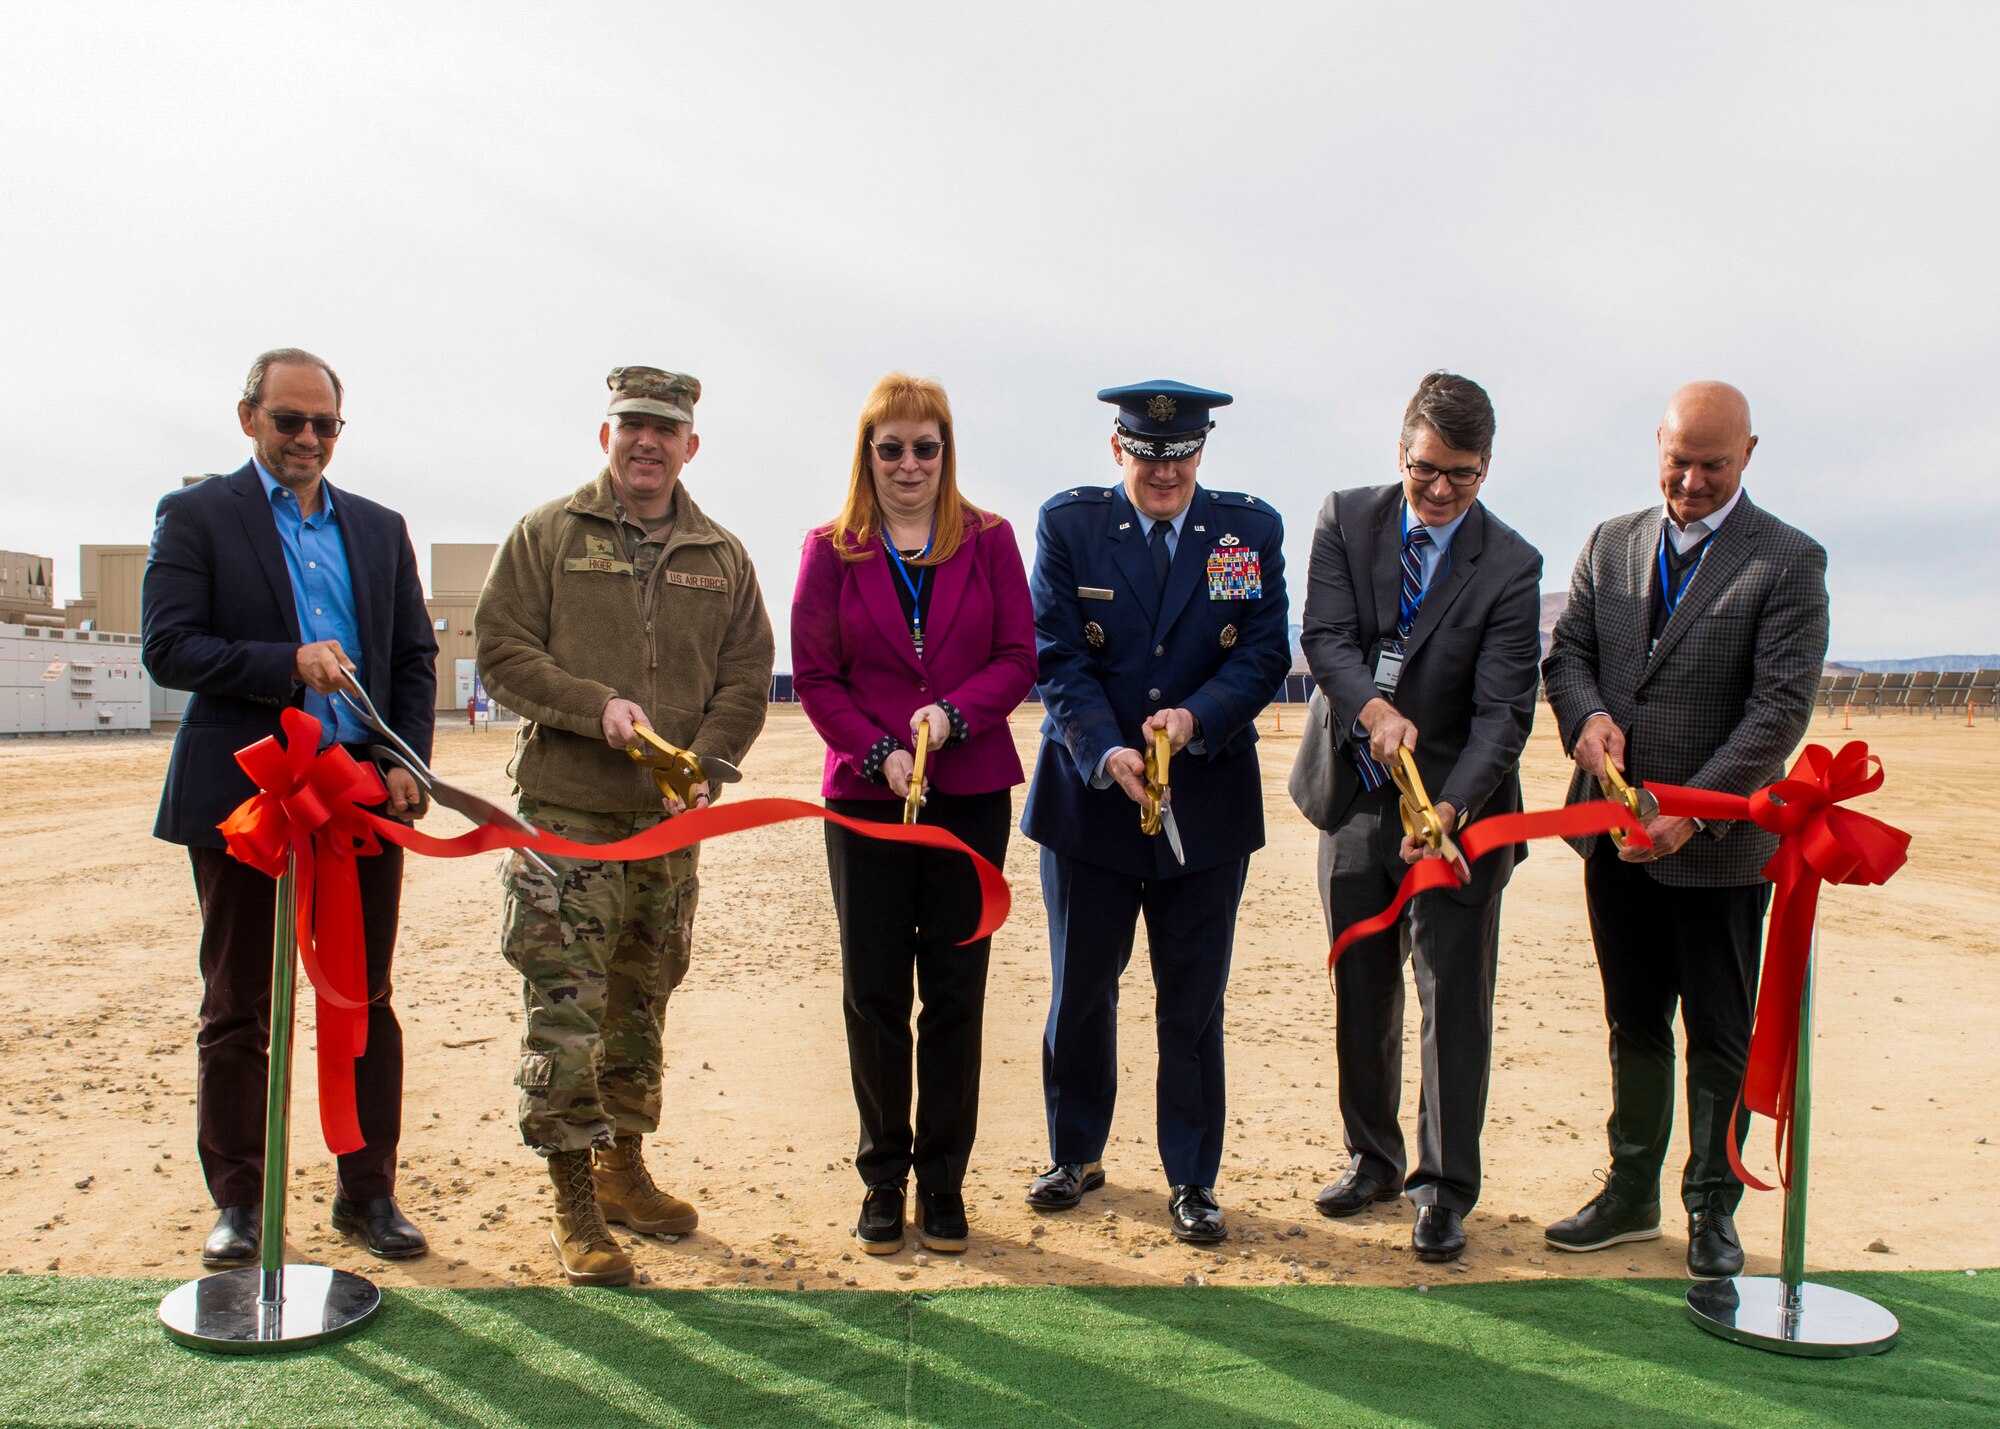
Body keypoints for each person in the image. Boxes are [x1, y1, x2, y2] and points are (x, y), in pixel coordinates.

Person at [476, 365, 774, 1286]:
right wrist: (595, 706)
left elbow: (745, 674)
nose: (648, 441)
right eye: (632, 424)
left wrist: (708, 765)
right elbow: (501, 652)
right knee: (565, 1008)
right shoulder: (546, 536)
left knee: (640, 1001)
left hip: (664, 827)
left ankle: (621, 1169)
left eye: (666, 428)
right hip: (565, 820)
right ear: (604, 435)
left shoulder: (720, 555)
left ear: (691, 444)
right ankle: (572, 1197)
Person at [142, 347, 437, 1267]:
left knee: (361, 996)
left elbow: (414, 658)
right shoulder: (195, 516)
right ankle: (241, 1203)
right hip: (246, 800)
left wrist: (406, 764)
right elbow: (170, 648)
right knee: (238, 1005)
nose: (307, 438)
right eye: (288, 421)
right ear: (249, 420)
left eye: (324, 425)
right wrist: (287, 661)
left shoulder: (383, 530)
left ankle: (368, 1192)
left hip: (356, 794)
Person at [1542, 380, 1829, 1280]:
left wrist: (1688, 814)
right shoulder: (1610, 542)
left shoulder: (1788, 561)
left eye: (1712, 464)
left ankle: (1712, 1205)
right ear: (1656, 446)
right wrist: (1586, 721)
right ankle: (1630, 1194)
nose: (1692, 481)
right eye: (1678, 461)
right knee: (1633, 1022)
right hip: (1613, 842)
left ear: (1749, 453)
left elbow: (1777, 712)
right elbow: (1570, 656)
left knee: (1719, 1033)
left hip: (1717, 850)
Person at [1020, 380, 1289, 1244]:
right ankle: (1075, 1152)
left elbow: (1262, 651)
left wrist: (1196, 717)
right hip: (1092, 799)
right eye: (1146, 453)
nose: (1163, 471)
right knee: (1082, 992)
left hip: (1202, 806)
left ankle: (1192, 1177)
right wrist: (1107, 747)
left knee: (1193, 1003)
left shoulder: (1247, 531)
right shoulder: (1070, 526)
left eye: (1179, 455)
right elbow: (1057, 655)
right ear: (1117, 449)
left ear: (1201, 453)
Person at [1290, 371, 1542, 1264]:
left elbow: (1505, 712)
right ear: (1401, 451)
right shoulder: (1344, 518)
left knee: (1452, 998)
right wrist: (1371, 709)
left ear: (1487, 468)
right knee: (1362, 983)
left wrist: (1448, 807)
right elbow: (1322, 637)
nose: (1439, 491)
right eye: (1426, 469)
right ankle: (1373, 1159)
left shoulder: (1512, 565)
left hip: (1455, 816)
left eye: (1462, 476)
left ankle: (1443, 1188)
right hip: (1355, 795)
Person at [790, 373, 1037, 1257]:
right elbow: (815, 677)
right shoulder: (832, 548)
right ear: (868, 453)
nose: (907, 464)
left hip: (969, 797)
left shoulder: (992, 539)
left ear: (946, 451)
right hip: (866, 801)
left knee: (957, 993)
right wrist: (877, 752)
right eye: (889, 447)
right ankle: (883, 1178)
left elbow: (1018, 654)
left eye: (923, 446)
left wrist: (955, 716)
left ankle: (943, 1180)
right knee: (875, 993)